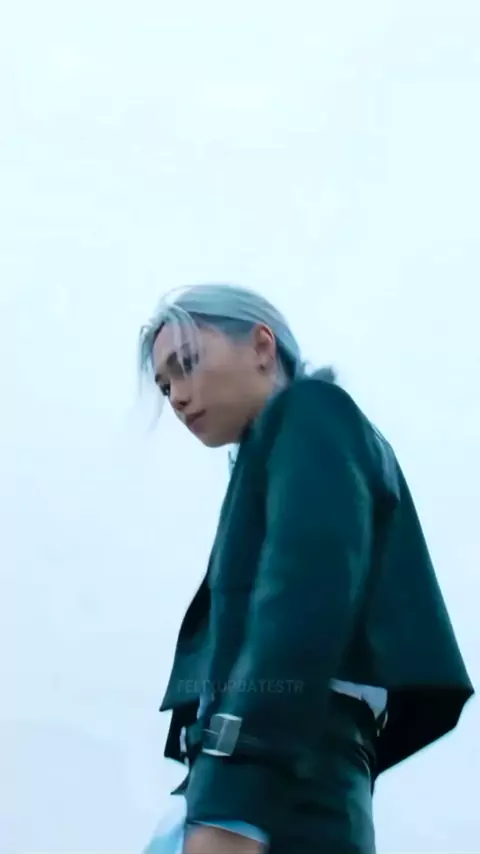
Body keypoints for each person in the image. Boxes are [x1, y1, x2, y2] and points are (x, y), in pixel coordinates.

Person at [139, 283, 473, 854]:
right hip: (254, 779)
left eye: (187, 364)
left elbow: (305, 597)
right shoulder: (270, 456)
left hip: (274, 789)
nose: (176, 396)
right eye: (165, 385)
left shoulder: (312, 412)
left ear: (261, 346)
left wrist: (235, 798)